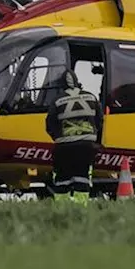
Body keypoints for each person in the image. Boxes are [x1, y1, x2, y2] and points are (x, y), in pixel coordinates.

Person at [44, 70, 103, 204]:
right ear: (78, 83)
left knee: (62, 180)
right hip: (87, 147)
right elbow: (99, 121)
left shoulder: (57, 100)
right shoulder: (91, 97)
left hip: (64, 147)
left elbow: (49, 125)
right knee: (82, 177)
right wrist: (91, 136)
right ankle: (81, 206)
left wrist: (58, 138)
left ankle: (61, 208)